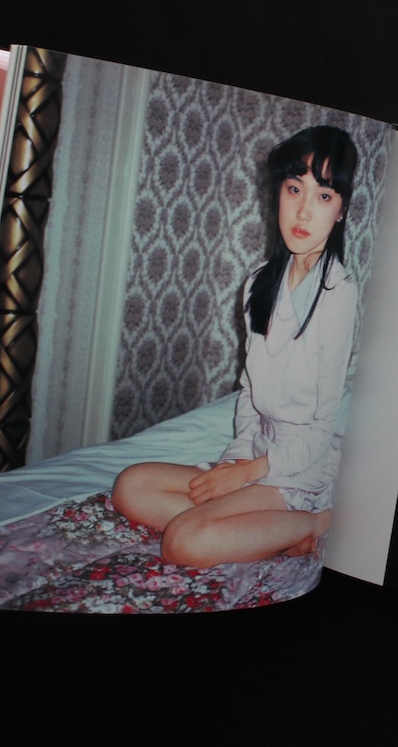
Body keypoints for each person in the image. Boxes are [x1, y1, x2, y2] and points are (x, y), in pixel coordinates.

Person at [112, 125, 359, 568]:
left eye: (323, 196)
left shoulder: (339, 295)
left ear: (341, 210)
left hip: (301, 468)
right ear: (278, 193)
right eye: (294, 189)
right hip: (257, 456)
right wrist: (236, 463)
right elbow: (249, 391)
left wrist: (249, 473)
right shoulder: (259, 283)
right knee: (130, 487)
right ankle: (256, 532)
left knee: (181, 542)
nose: (303, 212)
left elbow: (321, 431)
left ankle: (313, 524)